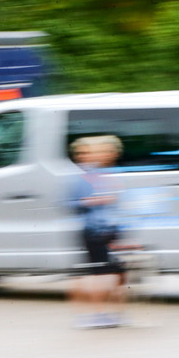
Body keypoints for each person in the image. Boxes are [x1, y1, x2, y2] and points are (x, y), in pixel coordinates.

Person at [67, 135, 127, 328]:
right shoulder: (84, 177)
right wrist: (94, 201)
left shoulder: (103, 175)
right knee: (99, 275)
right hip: (94, 232)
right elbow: (69, 203)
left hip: (109, 231)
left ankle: (112, 313)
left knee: (117, 272)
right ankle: (95, 314)